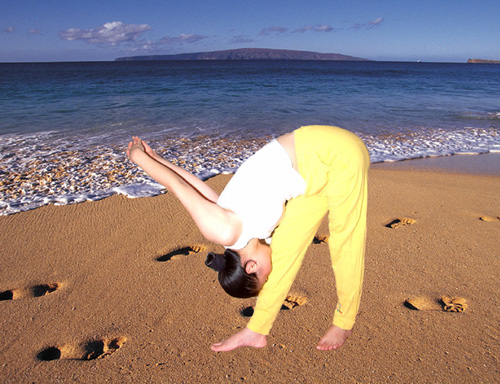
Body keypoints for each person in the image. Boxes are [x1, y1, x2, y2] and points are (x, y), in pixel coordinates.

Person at [127, 125, 369, 352]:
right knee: (285, 254)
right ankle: (257, 330)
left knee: (345, 239)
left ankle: (344, 321)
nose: (270, 273)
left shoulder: (223, 231)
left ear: (251, 266)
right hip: (314, 179)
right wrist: (158, 157)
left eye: (266, 276)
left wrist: (140, 157)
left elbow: (180, 187)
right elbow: (198, 188)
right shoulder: (250, 234)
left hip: (334, 153)